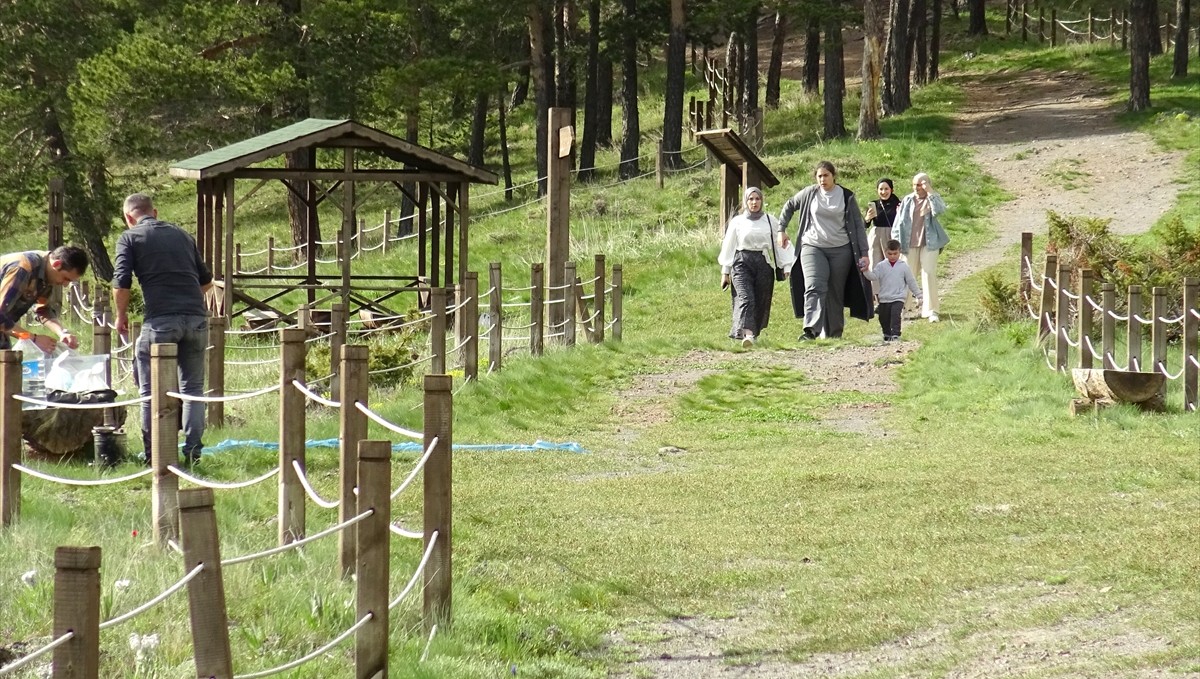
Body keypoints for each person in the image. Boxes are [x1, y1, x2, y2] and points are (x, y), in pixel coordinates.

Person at [114, 193, 213, 464]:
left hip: (159, 321)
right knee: (192, 389)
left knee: (150, 392)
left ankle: (154, 454)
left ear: (128, 218)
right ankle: (193, 453)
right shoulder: (183, 235)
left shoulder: (130, 237)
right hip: (195, 318)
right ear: (154, 212)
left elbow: (121, 283)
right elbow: (206, 282)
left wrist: (120, 315)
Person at [778, 161, 872, 340]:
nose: (822, 179)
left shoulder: (846, 196)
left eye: (826, 175)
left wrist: (865, 253)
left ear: (833, 176)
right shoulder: (809, 193)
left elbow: (859, 226)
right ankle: (811, 330)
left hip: (841, 249)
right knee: (814, 286)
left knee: (835, 293)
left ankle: (834, 335)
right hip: (812, 246)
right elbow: (790, 205)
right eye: (819, 176)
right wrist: (781, 229)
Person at [718, 187, 791, 347]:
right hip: (741, 263)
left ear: (761, 201)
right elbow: (728, 247)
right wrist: (725, 272)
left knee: (760, 300)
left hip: (763, 263)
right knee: (746, 298)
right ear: (746, 201)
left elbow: (780, 243)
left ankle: (753, 333)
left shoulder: (770, 220)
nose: (754, 202)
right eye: (751, 199)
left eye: (757, 199)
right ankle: (747, 335)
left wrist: (786, 266)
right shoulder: (737, 221)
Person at [0, 246, 88, 352]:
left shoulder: (47, 274)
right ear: (57, 264)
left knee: (9, 365)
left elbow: (42, 309)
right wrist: (33, 338)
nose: (65, 285)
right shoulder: (23, 269)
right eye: (65, 278)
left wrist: (62, 332)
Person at [891, 172, 950, 323]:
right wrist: (896, 242)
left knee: (929, 273)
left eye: (920, 185)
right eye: (914, 185)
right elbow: (898, 223)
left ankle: (931, 310)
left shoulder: (932, 199)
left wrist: (930, 191)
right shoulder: (907, 200)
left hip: (929, 244)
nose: (916, 188)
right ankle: (903, 308)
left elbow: (940, 210)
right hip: (908, 244)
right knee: (907, 275)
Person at [863, 240, 922, 342]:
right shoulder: (881, 266)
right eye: (890, 254)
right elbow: (873, 277)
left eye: (895, 254)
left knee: (895, 315)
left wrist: (919, 295)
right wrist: (865, 270)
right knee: (883, 318)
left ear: (900, 252)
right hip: (884, 298)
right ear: (885, 252)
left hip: (898, 297)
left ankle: (895, 334)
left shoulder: (904, 266)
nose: (893, 256)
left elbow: (911, 281)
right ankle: (887, 333)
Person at [864, 178, 901, 297]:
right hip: (875, 236)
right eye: (881, 189)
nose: (883, 192)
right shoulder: (873, 204)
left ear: (892, 190)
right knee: (875, 265)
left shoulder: (898, 204)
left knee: (892, 265)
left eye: (886, 189)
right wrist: (867, 218)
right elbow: (865, 225)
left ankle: (894, 293)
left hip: (891, 235)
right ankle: (877, 297)